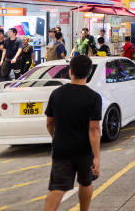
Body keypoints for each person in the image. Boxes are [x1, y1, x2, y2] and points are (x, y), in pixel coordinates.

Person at [44, 55, 102, 211]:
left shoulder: (56, 94)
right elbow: (94, 129)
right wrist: (96, 156)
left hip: (61, 148)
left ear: (70, 72)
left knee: (57, 187)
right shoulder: (94, 97)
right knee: (86, 182)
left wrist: (56, 137)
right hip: (84, 150)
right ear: (88, 73)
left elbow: (49, 122)